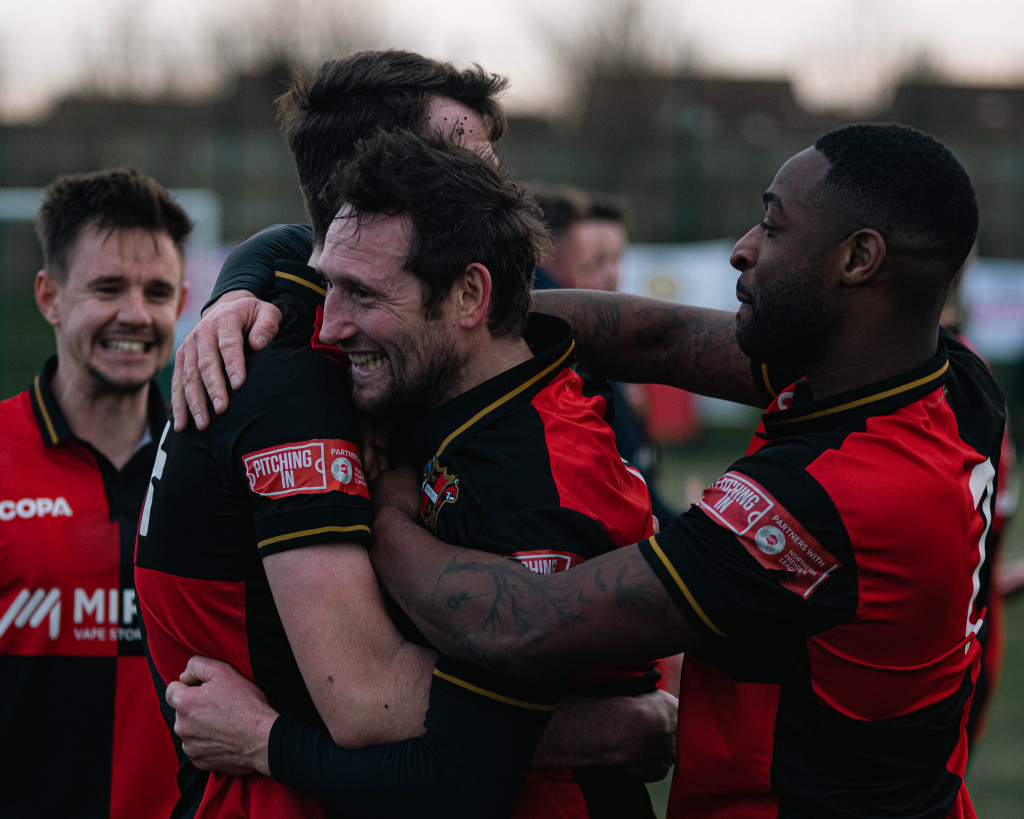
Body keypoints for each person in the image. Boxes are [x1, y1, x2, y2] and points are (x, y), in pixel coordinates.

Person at [364, 123, 1003, 818]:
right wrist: (447, 320)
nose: (742, 248)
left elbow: (526, 626)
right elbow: (661, 339)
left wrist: (384, 507)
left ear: (858, 259)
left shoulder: (835, 498)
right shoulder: (949, 378)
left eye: (773, 226)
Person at [153, 52, 675, 818]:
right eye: (466, 162)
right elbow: (369, 700)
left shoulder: (509, 434)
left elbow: (462, 753)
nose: (500, 189)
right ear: (378, 177)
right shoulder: (299, 368)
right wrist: (613, 729)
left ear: (468, 295)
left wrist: (267, 738)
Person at [0, 168, 189, 818]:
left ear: (181, 303)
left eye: (156, 292)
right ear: (49, 297)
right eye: (108, 288)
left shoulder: (209, 468)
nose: (135, 314)